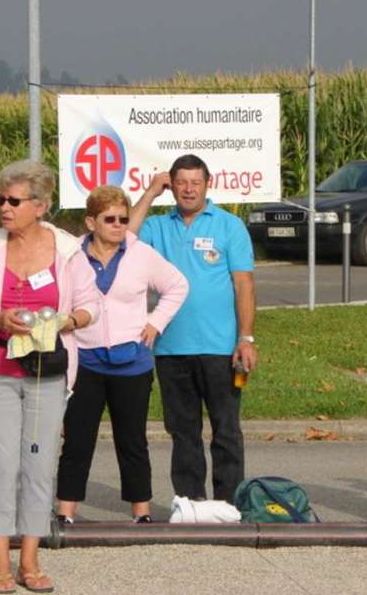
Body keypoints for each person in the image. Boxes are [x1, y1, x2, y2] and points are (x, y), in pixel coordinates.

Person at [0, 159, 100, 593]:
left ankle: (31, 559)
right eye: (0, 199)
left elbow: (93, 305)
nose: (4, 207)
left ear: (40, 206)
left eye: (14, 201)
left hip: (47, 375)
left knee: (38, 464)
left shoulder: (68, 249)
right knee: (2, 465)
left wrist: (63, 322)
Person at [128, 153, 258, 505]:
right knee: (183, 433)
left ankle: (229, 505)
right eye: (180, 182)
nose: (188, 190)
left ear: (207, 184)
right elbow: (124, 235)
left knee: (226, 431)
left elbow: (243, 285)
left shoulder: (229, 226)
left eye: (195, 183)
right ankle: (191, 506)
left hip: (220, 349)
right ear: (172, 185)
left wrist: (245, 338)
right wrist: (151, 192)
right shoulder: (157, 226)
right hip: (171, 349)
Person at [55, 186, 188, 524]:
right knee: (77, 440)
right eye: (109, 219)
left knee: (132, 441)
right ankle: (65, 511)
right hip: (84, 358)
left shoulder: (140, 253)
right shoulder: (71, 257)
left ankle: (141, 512)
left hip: (132, 362)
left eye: (123, 219)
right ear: (90, 222)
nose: (117, 225)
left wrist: (155, 323)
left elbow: (177, 285)